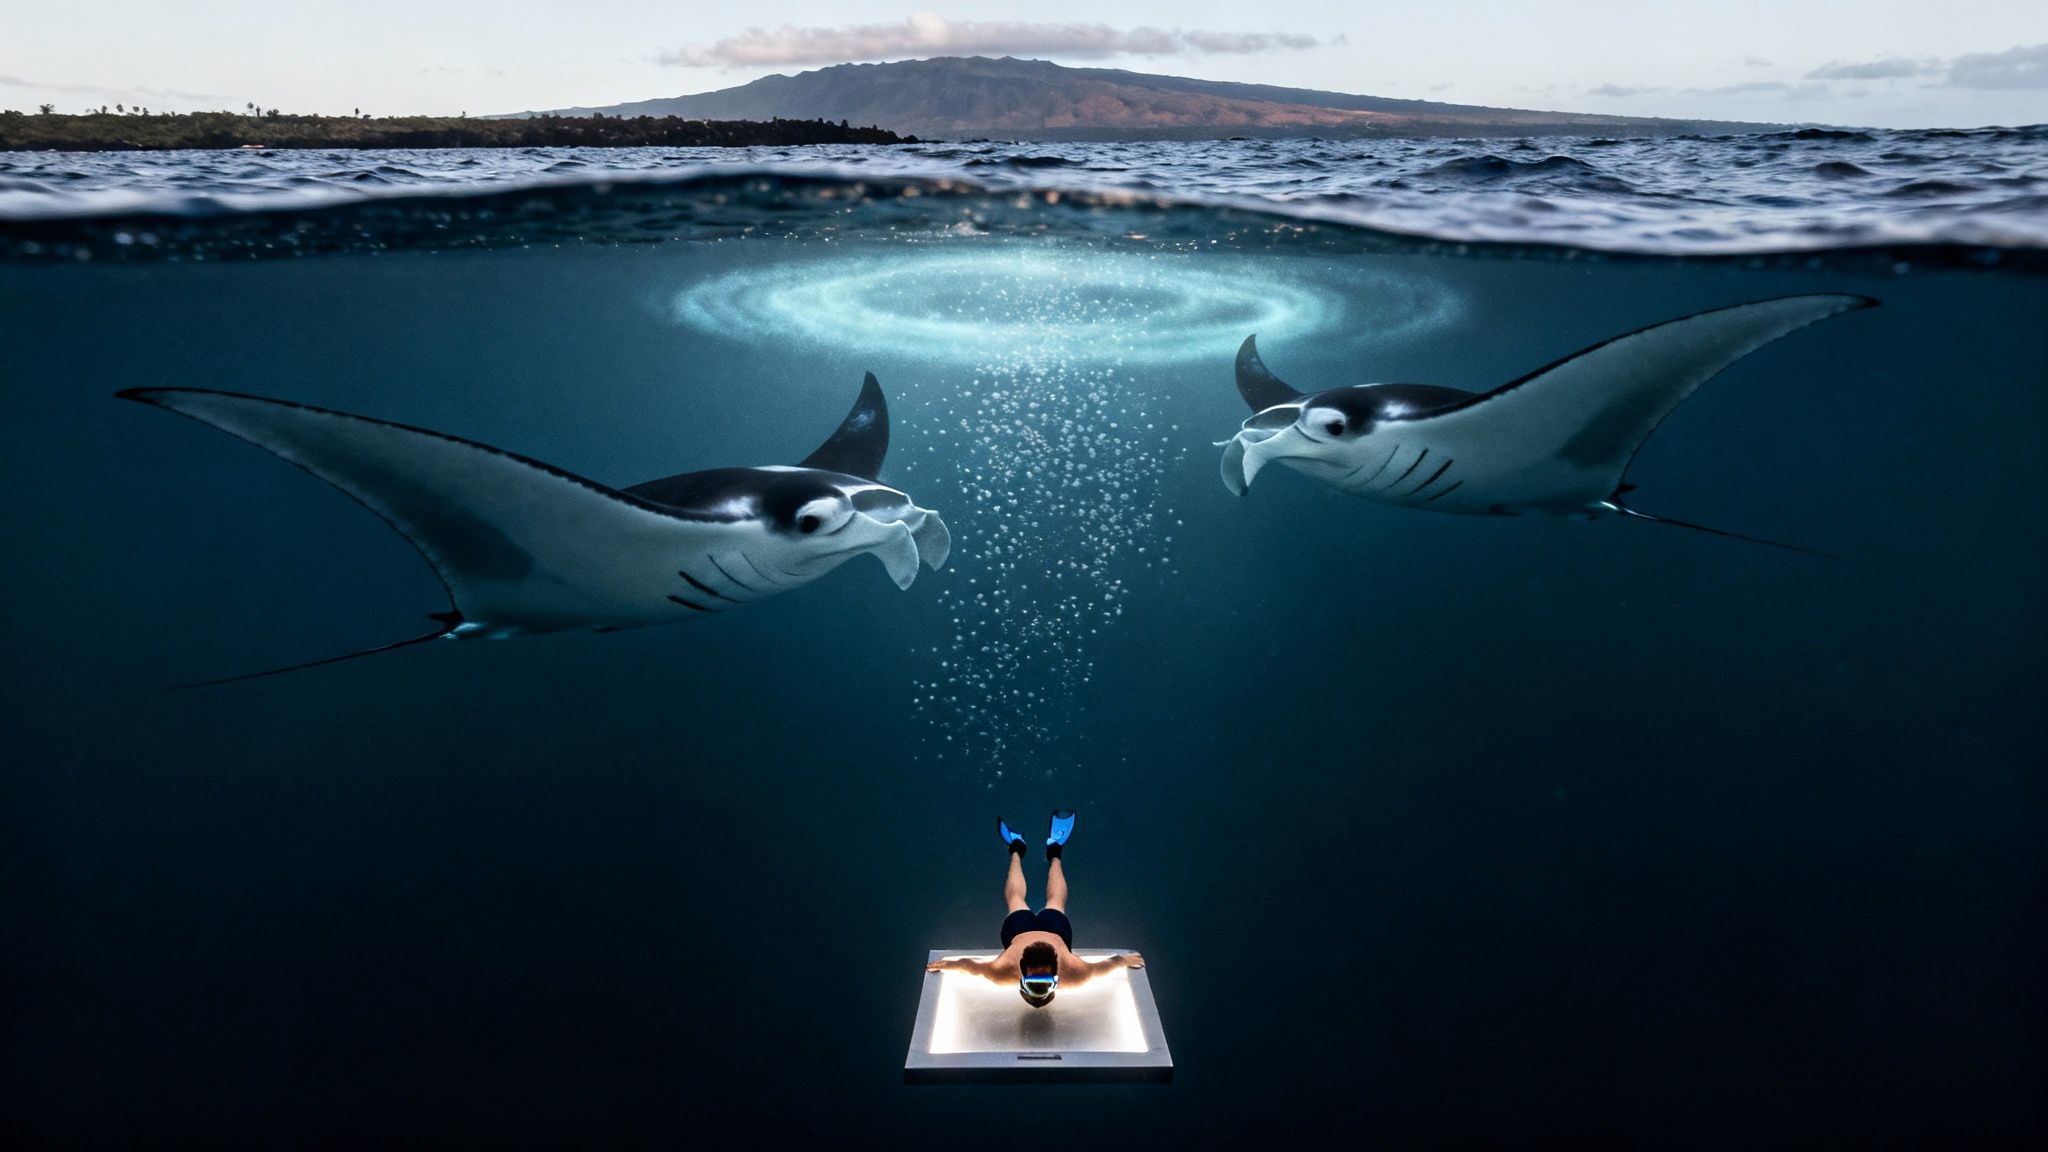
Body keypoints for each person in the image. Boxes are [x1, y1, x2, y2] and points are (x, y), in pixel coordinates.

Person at [925, 810, 1144, 1007]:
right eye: (1044, 981)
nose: (1039, 982)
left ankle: (1017, 848)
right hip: (1055, 931)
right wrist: (1123, 960)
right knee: (1054, 900)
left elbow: (970, 966)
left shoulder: (1001, 973)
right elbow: (1106, 966)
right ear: (1056, 976)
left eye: (1033, 981)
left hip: (1019, 932)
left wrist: (950, 964)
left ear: (1021, 971)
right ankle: (1054, 852)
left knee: (1016, 898)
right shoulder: (1077, 975)